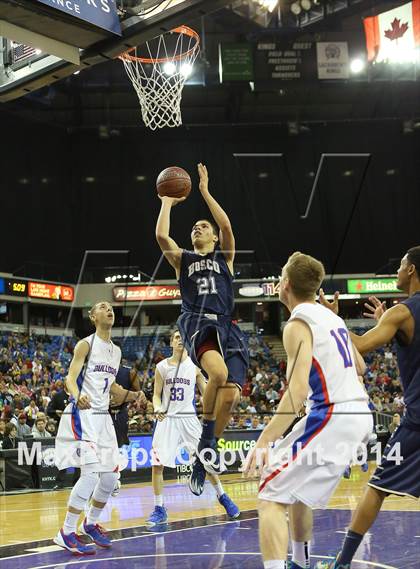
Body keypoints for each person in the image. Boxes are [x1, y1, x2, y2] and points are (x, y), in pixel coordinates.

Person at [243, 252, 372, 569]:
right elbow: (360, 365)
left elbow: (297, 392)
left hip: (333, 415)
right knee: (295, 491)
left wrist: (263, 440)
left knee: (269, 494)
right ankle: (300, 563)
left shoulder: (297, 324)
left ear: (284, 284)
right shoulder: (333, 318)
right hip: (359, 416)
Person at [316, 245, 420, 568]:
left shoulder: (403, 311)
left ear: (412, 270)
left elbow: (360, 344)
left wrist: (331, 318)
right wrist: (387, 325)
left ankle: (343, 563)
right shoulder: (398, 316)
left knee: (377, 488)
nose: (398, 270)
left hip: (417, 422)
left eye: (401, 265)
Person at [155, 163, 249, 495]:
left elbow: (225, 223)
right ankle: (205, 447)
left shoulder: (226, 258)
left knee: (232, 395)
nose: (198, 227)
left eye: (202, 225)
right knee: (218, 376)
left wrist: (205, 192)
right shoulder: (184, 259)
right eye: (194, 226)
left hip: (228, 326)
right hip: (197, 321)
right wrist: (167, 201)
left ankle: (203, 453)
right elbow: (161, 236)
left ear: (212, 236)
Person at [53, 301, 146, 555]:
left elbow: (112, 388)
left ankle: (91, 522)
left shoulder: (115, 352)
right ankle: (66, 531)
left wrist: (133, 395)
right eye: (102, 307)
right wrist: (75, 395)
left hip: (104, 418)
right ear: (93, 316)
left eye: (111, 307)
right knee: (91, 473)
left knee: (111, 476)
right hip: (84, 414)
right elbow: (70, 378)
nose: (109, 309)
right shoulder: (86, 344)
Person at [146, 330, 240, 525]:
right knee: (157, 463)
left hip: (189, 418)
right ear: (171, 343)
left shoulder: (196, 366)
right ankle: (159, 508)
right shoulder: (161, 367)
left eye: (183, 337)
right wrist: (157, 406)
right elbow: (156, 394)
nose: (180, 340)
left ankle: (223, 496)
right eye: (176, 337)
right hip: (168, 419)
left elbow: (207, 392)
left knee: (206, 458)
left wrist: (218, 406)